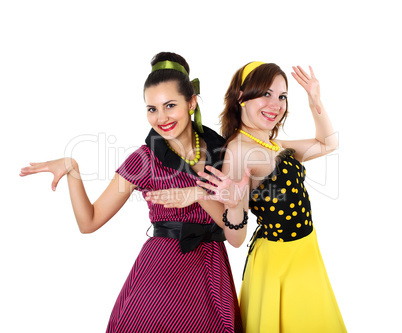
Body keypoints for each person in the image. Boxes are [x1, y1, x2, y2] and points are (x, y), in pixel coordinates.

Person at [20, 52, 243, 333]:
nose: (161, 118)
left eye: (169, 105)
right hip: (160, 276)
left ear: (191, 102)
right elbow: (89, 222)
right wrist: (72, 169)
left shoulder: (225, 153)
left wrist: (197, 193)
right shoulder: (143, 160)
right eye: (152, 109)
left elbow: (235, 232)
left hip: (210, 272)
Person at [148, 61, 347, 332]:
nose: (275, 104)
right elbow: (236, 239)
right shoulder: (239, 151)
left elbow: (328, 143)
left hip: (305, 254)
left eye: (282, 96)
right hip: (278, 264)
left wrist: (314, 99)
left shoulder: (272, 143)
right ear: (241, 97)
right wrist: (229, 204)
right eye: (265, 93)